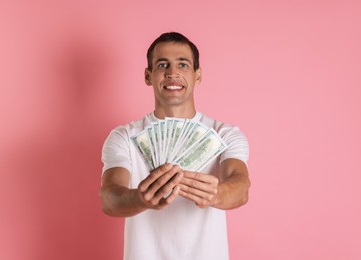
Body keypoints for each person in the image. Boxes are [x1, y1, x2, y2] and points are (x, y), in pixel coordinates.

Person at [99, 32, 250, 260]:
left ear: (197, 76)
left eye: (183, 64)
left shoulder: (225, 134)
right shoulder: (124, 137)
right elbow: (109, 199)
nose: (173, 73)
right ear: (148, 76)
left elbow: (241, 187)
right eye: (162, 65)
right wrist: (140, 199)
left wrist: (217, 194)